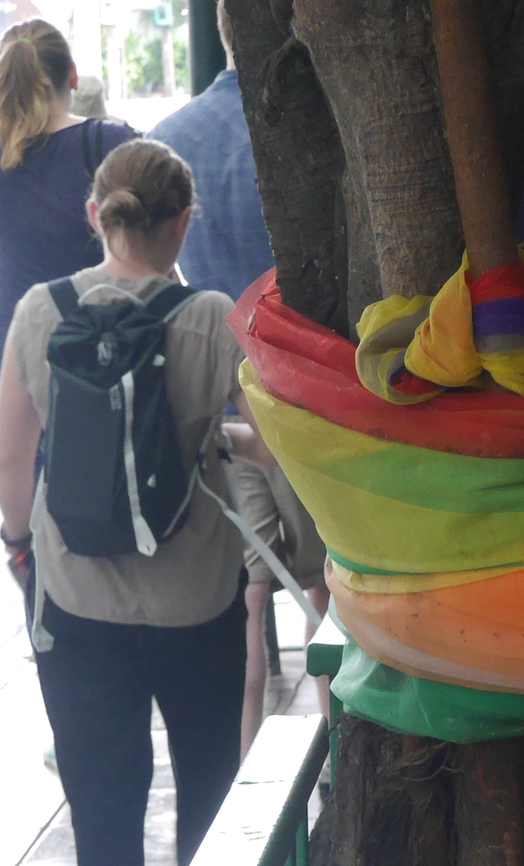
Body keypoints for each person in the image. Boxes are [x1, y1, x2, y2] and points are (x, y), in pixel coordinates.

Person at [0, 139, 259, 866]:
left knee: (104, 801)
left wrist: (20, 544)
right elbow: (275, 438)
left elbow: (9, 452)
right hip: (197, 602)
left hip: (78, 601)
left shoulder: (39, 311)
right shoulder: (210, 315)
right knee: (208, 785)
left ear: (95, 214)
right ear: (181, 222)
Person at [151, 3, 329, 753]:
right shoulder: (303, 121)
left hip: (234, 393)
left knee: (253, 594)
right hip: (308, 390)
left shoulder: (174, 137)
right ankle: (336, 742)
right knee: (322, 581)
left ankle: (248, 752)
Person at [0, 22, 137, 453]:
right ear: (71, 76)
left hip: (0, 368)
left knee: (26, 518)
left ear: (2, 82)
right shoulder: (109, 142)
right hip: (92, 365)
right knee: (90, 515)